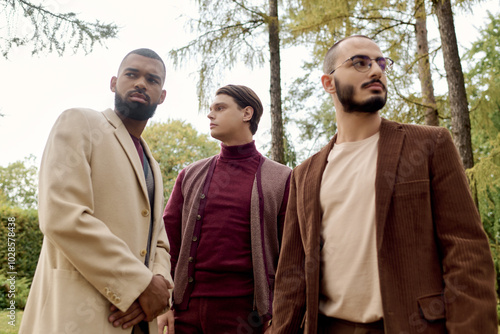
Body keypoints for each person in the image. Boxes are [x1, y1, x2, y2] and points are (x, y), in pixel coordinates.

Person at [271, 35, 498, 334]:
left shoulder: (430, 144)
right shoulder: (304, 174)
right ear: (328, 83)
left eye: (381, 63)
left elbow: (465, 253)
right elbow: (292, 275)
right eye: (360, 63)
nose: (376, 71)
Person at [20, 48, 173, 334]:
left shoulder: (152, 163)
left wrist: (159, 285)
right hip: (79, 316)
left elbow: (159, 241)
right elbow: (62, 215)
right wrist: (139, 284)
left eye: (152, 80)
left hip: (140, 322)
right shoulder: (81, 123)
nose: (141, 83)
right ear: (114, 83)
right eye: (132, 74)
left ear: (162, 96)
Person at [157, 84, 291, 334]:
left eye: (220, 108)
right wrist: (164, 303)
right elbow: (166, 243)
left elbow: (291, 257)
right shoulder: (189, 175)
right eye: (210, 109)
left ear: (246, 114)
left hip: (249, 319)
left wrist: (279, 317)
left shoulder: (282, 178)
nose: (210, 115)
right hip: (186, 315)